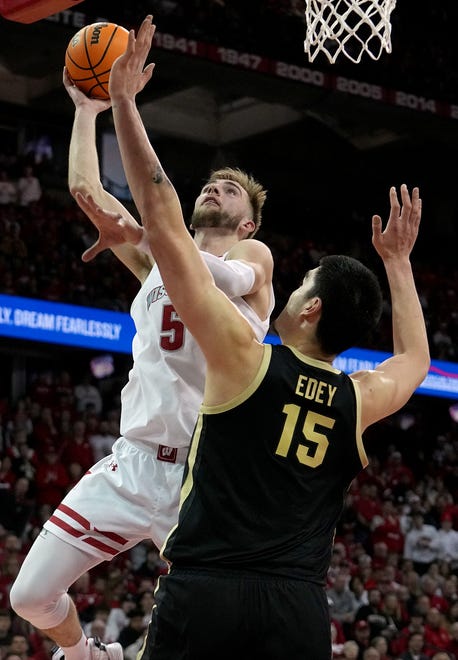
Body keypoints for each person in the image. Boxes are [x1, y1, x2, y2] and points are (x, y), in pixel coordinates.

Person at [73, 15, 430, 660]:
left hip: (207, 591)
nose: (285, 292)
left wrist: (124, 103)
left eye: (300, 287)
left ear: (309, 310)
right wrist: (399, 266)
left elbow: (161, 216)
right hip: (296, 607)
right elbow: (414, 359)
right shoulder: (358, 400)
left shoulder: (241, 362)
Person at [9, 49, 274, 660]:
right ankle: (87, 657)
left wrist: (150, 233)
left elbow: (215, 281)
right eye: (212, 182)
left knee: (231, 630)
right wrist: (85, 109)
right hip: (131, 462)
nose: (216, 187)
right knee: (29, 596)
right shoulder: (158, 259)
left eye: (230, 190)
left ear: (249, 224)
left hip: (202, 475)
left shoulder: (252, 262)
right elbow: (85, 189)